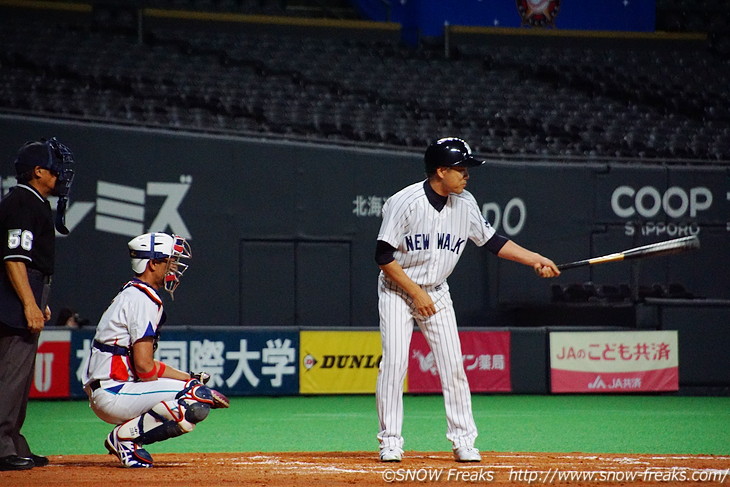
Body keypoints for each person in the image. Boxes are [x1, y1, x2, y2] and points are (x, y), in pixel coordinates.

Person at [374, 137, 560, 463]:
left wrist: (534, 259)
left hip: (437, 291)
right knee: (394, 364)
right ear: (440, 170)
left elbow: (493, 242)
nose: (467, 175)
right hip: (399, 289)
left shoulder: (466, 203)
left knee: (453, 366)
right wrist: (415, 294)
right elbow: (383, 256)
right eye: (460, 169)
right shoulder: (405, 202)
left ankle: (463, 441)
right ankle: (390, 441)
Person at [82, 232, 230, 468]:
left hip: (114, 388)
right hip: (114, 392)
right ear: (152, 263)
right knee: (194, 397)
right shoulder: (142, 298)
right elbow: (145, 368)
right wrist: (191, 385)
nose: (174, 267)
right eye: (169, 261)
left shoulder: (135, 292)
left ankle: (127, 438)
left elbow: (143, 367)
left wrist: (188, 378)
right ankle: (124, 439)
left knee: (194, 392)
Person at [0, 137, 76, 471]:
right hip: (15, 300)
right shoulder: (22, 201)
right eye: (54, 168)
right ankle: (2, 448)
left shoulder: (30, 202)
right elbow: (14, 258)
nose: (59, 175)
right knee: (10, 377)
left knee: (18, 377)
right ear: (38, 171)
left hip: (25, 293)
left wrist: (37, 300)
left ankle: (14, 443)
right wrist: (29, 304)